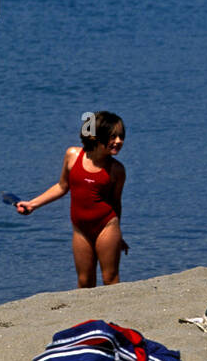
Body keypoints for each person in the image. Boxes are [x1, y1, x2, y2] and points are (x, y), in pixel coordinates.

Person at [17, 111, 128, 287]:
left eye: (121, 136)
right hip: (80, 229)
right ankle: (87, 315)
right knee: (84, 281)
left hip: (107, 226)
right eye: (113, 136)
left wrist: (118, 236)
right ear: (96, 136)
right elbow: (62, 186)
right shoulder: (73, 155)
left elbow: (116, 203)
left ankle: (115, 314)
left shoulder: (116, 170)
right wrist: (32, 204)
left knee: (110, 279)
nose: (119, 141)